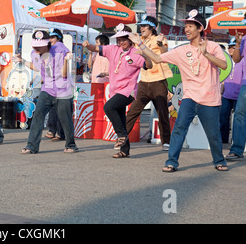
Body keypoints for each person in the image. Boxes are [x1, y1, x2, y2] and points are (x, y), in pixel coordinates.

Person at [129, 9, 229, 172]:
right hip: (190, 97)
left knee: (213, 135)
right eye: (186, 26)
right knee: (179, 129)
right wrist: (139, 43)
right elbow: (158, 58)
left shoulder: (212, 46)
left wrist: (206, 54)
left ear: (200, 28)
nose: (187, 29)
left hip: (209, 98)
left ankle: (219, 160)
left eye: (190, 26)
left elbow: (223, 65)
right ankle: (171, 162)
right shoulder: (182, 50)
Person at [84, 24, 152, 158]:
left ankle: (120, 135)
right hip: (115, 91)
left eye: (123, 39)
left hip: (129, 91)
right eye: (118, 39)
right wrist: (88, 46)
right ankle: (124, 151)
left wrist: (145, 54)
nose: (121, 42)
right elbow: (96, 48)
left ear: (130, 39)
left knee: (108, 107)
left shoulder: (135, 52)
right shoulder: (112, 49)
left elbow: (149, 65)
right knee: (120, 119)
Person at [17, 30, 78, 154]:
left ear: (48, 43)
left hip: (63, 89)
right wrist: (22, 61)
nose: (36, 48)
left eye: (39, 46)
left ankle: (71, 144)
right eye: (34, 45)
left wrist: (66, 60)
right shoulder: (34, 54)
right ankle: (31, 146)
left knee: (65, 118)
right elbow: (37, 67)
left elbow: (64, 74)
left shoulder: (59, 49)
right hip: (47, 88)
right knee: (38, 116)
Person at [124, 15, 173, 151]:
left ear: (152, 28)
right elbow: (126, 44)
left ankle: (166, 142)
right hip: (144, 82)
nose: (142, 28)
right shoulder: (139, 40)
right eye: (141, 25)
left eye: (145, 26)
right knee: (133, 111)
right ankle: (122, 138)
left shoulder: (159, 38)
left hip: (158, 80)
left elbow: (164, 53)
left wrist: (158, 43)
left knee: (162, 112)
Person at [226, 30, 246, 160]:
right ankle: (237, 150)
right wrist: (238, 43)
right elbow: (236, 59)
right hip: (245, 83)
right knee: (239, 114)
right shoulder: (244, 39)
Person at [219, 37, 244, 144]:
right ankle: (223, 140)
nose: (230, 49)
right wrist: (221, 92)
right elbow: (222, 78)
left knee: (238, 120)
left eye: (233, 47)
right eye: (229, 47)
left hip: (239, 95)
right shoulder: (226, 61)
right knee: (223, 118)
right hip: (226, 95)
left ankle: (236, 141)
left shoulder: (242, 61)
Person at [45, 28, 66, 141]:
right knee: (54, 108)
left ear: (58, 38)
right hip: (54, 83)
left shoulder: (59, 48)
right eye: (50, 37)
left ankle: (58, 132)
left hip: (59, 83)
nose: (50, 39)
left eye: (53, 37)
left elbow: (60, 68)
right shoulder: (53, 49)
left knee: (58, 109)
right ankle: (54, 131)